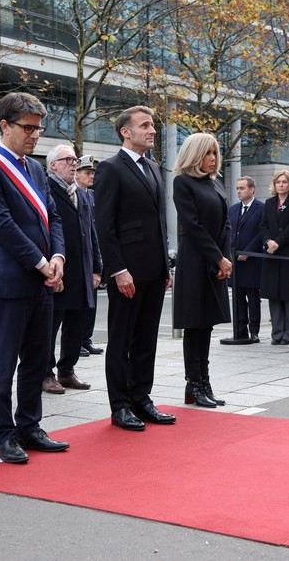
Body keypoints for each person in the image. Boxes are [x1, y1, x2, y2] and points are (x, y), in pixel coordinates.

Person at [0, 92, 69, 464]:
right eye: (27, 128)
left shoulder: (37, 169)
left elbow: (53, 217)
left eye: (38, 128)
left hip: (42, 279)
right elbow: (0, 225)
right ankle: (3, 434)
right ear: (5, 126)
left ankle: (30, 425)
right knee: (2, 362)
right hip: (10, 281)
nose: (34, 135)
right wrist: (41, 263)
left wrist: (58, 256)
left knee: (37, 360)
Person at [94, 105, 175, 431]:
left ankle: (142, 399)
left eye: (152, 125)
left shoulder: (154, 168)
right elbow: (105, 224)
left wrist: (165, 267)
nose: (152, 130)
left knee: (146, 340)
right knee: (122, 340)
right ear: (125, 131)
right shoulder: (111, 169)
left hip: (154, 271)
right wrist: (117, 269)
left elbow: (157, 221)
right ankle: (121, 406)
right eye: (144, 125)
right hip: (126, 272)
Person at [170, 133, 232, 408]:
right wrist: (218, 258)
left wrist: (224, 258)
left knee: (206, 325)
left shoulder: (215, 183)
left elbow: (226, 224)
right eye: (207, 153)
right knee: (195, 324)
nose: (212, 158)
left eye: (215, 153)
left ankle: (204, 382)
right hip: (195, 262)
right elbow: (192, 226)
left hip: (215, 261)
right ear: (195, 155)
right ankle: (193, 384)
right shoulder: (182, 182)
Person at [44, 145, 102, 393]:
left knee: (76, 324)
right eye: (67, 160)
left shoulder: (83, 194)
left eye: (75, 159)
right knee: (50, 326)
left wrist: (97, 268)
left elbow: (91, 233)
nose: (73, 163)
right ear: (53, 165)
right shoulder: (46, 190)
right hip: (59, 271)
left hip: (82, 271)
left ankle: (67, 371)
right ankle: (45, 373)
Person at [260, 170, 289, 345]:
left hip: (288, 254)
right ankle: (276, 333)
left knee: (288, 296)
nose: (281, 185)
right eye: (278, 182)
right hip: (271, 255)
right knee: (274, 296)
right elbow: (263, 225)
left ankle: (288, 334)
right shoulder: (269, 203)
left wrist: (278, 242)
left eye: (284, 182)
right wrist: (268, 241)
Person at [228, 176, 265, 342]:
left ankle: (254, 331)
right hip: (235, 261)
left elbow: (260, 233)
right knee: (238, 298)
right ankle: (239, 329)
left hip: (252, 261)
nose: (238, 191)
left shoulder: (261, 208)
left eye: (242, 188)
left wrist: (248, 252)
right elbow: (229, 231)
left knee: (253, 297)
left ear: (252, 190)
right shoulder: (234, 209)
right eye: (237, 188)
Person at [76, 154, 104, 357]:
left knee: (91, 302)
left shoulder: (92, 196)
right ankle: (77, 341)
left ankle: (86, 337)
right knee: (78, 305)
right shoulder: (74, 195)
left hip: (93, 252)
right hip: (80, 256)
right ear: (77, 175)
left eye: (93, 173)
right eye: (87, 173)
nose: (91, 176)